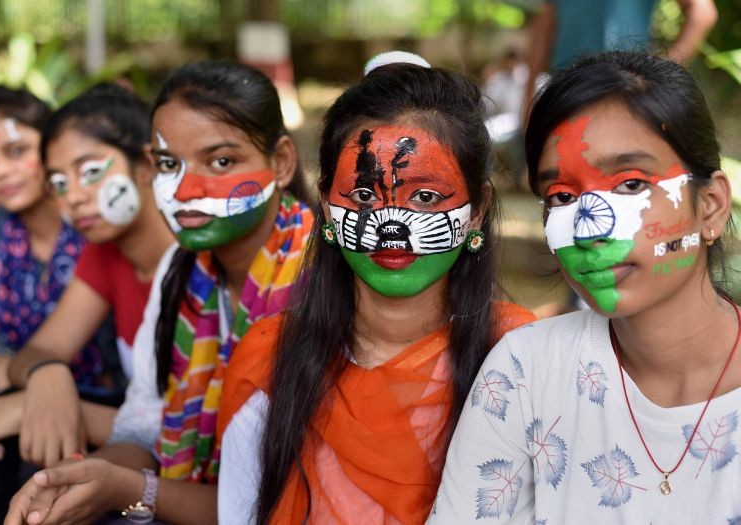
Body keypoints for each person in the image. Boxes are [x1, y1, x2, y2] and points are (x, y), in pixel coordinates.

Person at [215, 52, 536, 524]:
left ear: (479, 209)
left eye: (424, 197)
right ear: (326, 204)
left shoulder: (523, 359)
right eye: (364, 196)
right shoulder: (266, 363)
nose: (393, 226)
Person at [430, 52, 739, 523]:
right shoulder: (525, 373)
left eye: (632, 184)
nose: (591, 227)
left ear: (712, 206)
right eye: (563, 197)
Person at [4, 60, 313, 525]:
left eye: (221, 161)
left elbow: (270, 504)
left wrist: (130, 488)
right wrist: (80, 477)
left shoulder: (322, 280)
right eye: (171, 164)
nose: (186, 189)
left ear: (282, 162)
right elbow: (145, 430)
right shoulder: (182, 272)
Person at [0, 83, 173, 524]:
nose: (72, 195)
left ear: (148, 162)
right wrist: (44, 376)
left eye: (88, 172)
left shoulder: (191, 261)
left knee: (20, 429)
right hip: (121, 425)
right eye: (60, 181)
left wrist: (26, 404)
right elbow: (26, 345)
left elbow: (181, 432)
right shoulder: (103, 250)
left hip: (159, 444)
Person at [0, 85, 111, 485]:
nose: (0, 170)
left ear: (52, 149)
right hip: (18, 381)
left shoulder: (91, 214)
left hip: (101, 396)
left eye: (16, 152)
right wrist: (30, 381)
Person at [523, 0, 717, 121]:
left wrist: (662, 72)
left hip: (623, 87)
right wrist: (530, 90)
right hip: (566, 86)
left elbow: (702, 12)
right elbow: (544, 25)